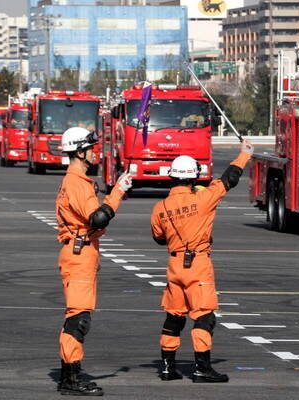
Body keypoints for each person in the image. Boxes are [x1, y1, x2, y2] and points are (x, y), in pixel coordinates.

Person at [150, 139, 253, 383]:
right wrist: (245, 154)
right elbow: (229, 179)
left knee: (174, 317)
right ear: (193, 178)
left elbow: (159, 238)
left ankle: (167, 367)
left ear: (172, 177)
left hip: (174, 266)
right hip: (197, 264)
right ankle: (201, 368)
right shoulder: (204, 198)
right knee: (204, 316)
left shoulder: (160, 207)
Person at [55, 127, 132, 396]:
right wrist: (118, 192)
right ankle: (71, 379)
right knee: (78, 318)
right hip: (79, 254)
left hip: (82, 251)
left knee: (78, 316)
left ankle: (68, 376)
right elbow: (97, 218)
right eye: (90, 148)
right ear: (79, 152)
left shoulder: (78, 180)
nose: (94, 152)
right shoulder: (76, 183)